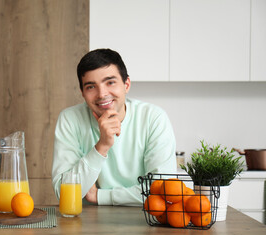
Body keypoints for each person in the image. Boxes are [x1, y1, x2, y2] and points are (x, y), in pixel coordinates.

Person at [51, 48, 176, 206]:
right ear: (82, 92)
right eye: (91, 86)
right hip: (87, 222)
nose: (102, 94)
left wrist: (101, 196)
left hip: (145, 221)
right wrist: (102, 146)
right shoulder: (70, 119)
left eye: (110, 82)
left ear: (126, 85)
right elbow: (63, 195)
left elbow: (164, 193)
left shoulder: (153, 118)